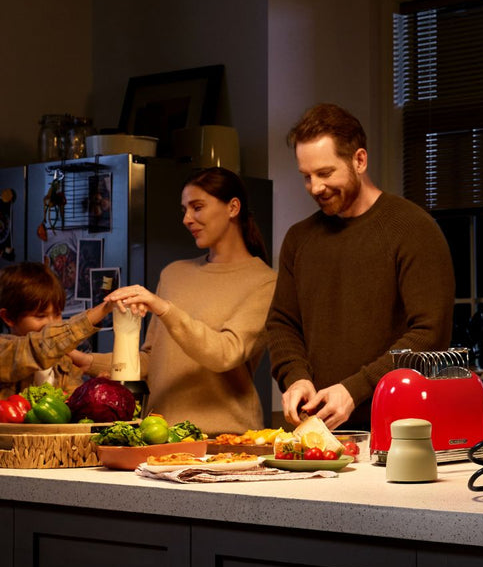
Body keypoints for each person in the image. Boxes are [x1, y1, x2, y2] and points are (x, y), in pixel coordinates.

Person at [267, 103, 455, 430]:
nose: (315, 187)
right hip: (317, 434)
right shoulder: (299, 239)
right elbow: (282, 324)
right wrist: (296, 377)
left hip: (399, 432)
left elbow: (430, 334)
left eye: (325, 173)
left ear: (359, 160)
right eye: (307, 176)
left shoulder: (413, 228)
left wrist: (356, 389)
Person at [78, 167, 277, 435]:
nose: (187, 219)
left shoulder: (264, 282)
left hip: (225, 438)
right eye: (184, 210)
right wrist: (88, 362)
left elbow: (226, 353)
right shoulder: (173, 274)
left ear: (233, 207)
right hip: (159, 432)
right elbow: (152, 360)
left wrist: (164, 309)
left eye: (197, 207)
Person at [0, 261, 112, 400]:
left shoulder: (64, 362)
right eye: (40, 316)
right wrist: (102, 310)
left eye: (57, 314)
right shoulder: (4, 350)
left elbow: (71, 403)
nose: (52, 324)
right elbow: (38, 348)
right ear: (8, 317)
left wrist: (91, 390)